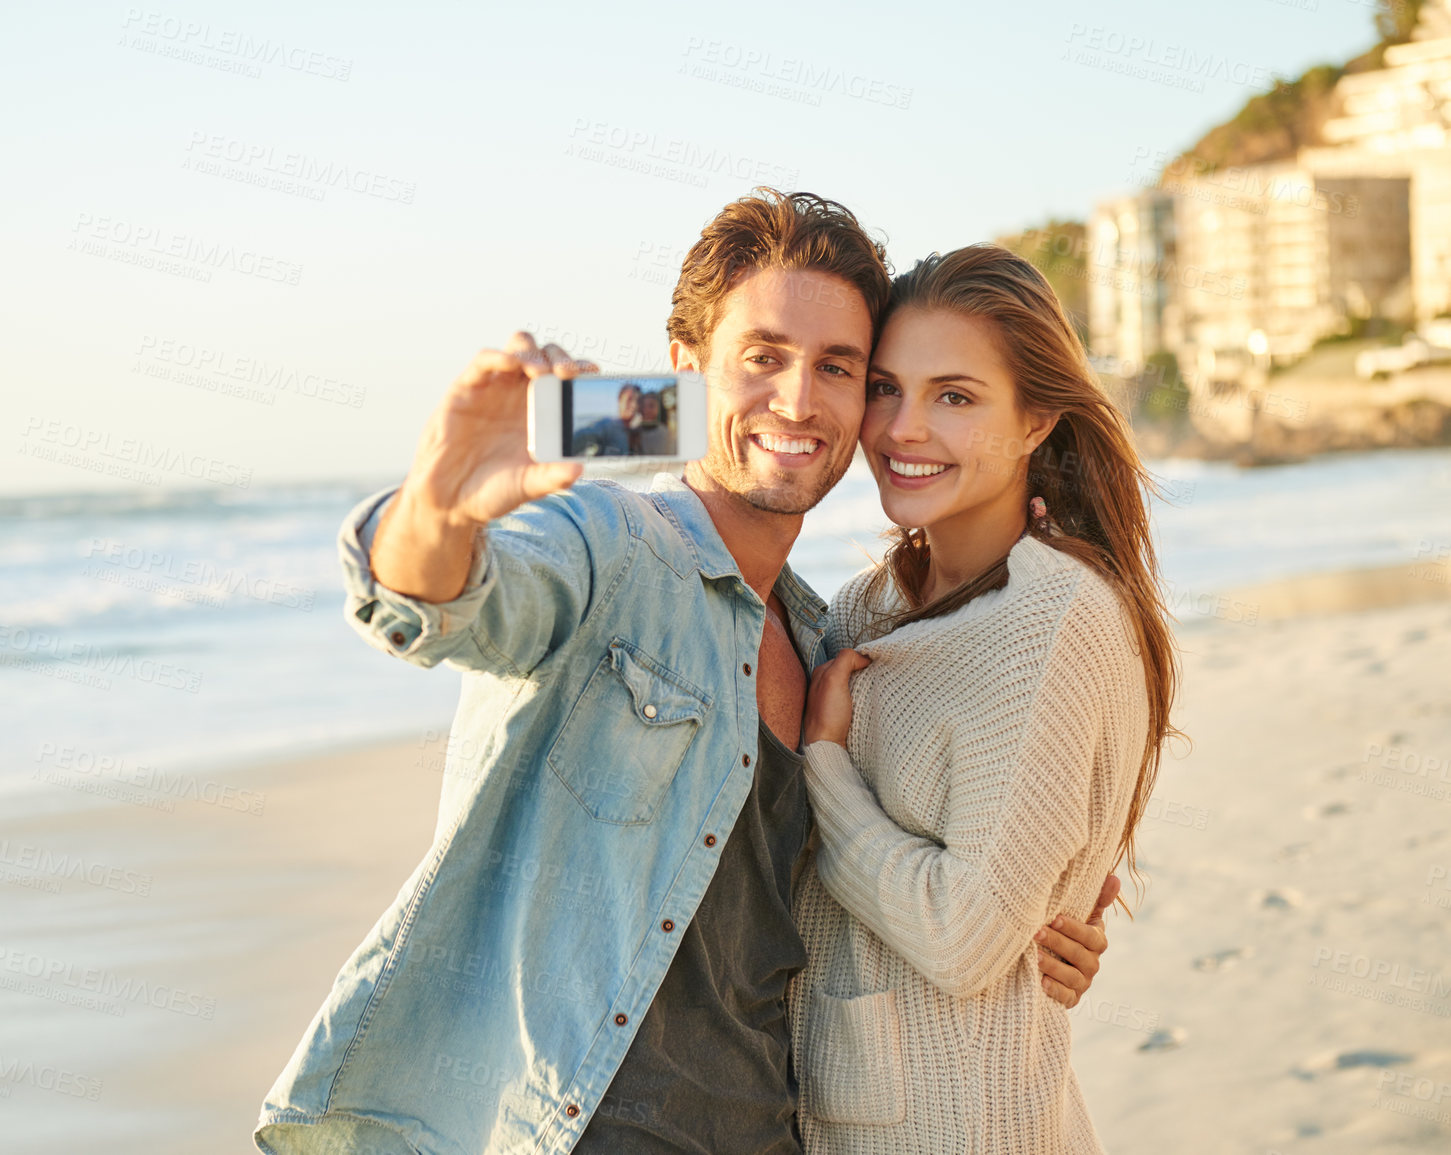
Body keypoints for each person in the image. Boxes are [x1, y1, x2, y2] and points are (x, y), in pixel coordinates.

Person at [256, 192, 1116, 1155]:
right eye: (762, 357)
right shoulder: (609, 542)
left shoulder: (832, 640)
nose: (797, 401)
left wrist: (1039, 918)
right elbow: (442, 603)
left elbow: (899, 879)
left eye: (837, 369)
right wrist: (441, 505)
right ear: (684, 371)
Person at [793, 245, 1179, 1152]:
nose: (901, 429)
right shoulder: (867, 607)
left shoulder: (1055, 620)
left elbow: (963, 937)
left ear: (1037, 418)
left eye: (954, 396)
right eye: (885, 388)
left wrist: (824, 767)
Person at [571, 382, 642, 455]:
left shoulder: (637, 431)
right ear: (619, 400)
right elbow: (582, 436)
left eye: (638, 401)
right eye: (629, 399)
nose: (634, 405)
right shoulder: (608, 425)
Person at [633, 390, 676, 456]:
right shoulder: (635, 432)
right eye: (643, 406)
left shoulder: (666, 434)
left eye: (651, 406)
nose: (646, 410)